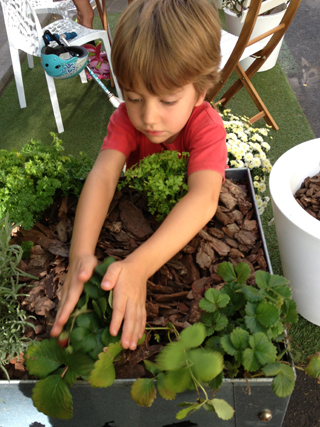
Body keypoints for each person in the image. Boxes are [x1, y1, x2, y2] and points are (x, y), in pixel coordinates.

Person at [51, 0, 227, 351]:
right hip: (138, 215)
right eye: (133, 97)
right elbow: (103, 176)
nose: (148, 117)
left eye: (167, 101)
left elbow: (203, 198)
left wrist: (139, 266)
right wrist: (80, 254)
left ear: (201, 91)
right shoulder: (124, 121)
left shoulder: (206, 126)